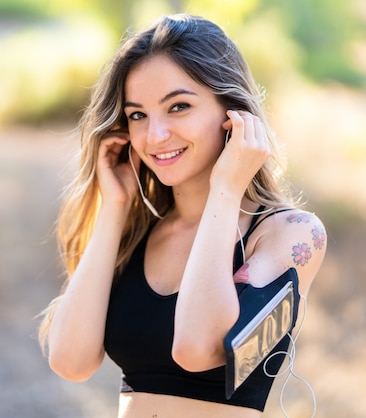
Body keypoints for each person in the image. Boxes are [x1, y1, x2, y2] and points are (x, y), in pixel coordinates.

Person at [38, 14, 326, 418]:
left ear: (233, 113)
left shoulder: (288, 234)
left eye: (178, 107)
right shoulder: (138, 231)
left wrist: (225, 192)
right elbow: (70, 361)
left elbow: (197, 347)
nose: (155, 135)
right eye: (138, 114)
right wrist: (115, 209)